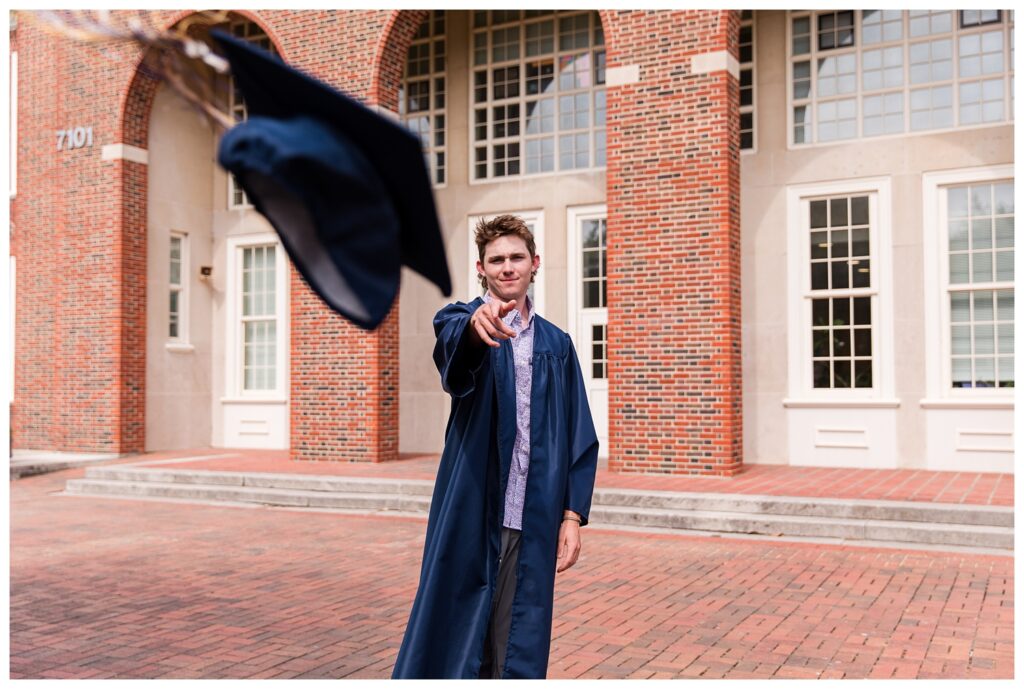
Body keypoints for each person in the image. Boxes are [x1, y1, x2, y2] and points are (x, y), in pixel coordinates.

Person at [392, 215, 599, 679]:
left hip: (534, 515)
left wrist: (572, 516)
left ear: (534, 263)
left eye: (516, 258)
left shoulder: (557, 345)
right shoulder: (463, 321)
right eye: (497, 260)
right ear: (481, 268)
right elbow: (454, 355)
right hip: (472, 507)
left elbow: (579, 435)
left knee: (515, 639)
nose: (507, 267)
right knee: (454, 629)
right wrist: (473, 327)